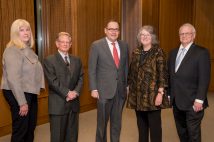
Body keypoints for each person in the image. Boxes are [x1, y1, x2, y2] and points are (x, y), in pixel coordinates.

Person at [1, 19, 45, 142]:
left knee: (30, 128)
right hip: (18, 93)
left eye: (28, 29)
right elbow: (13, 79)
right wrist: (22, 102)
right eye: (21, 30)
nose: (26, 33)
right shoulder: (12, 50)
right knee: (21, 130)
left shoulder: (27, 49)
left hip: (29, 92)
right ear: (15, 33)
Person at [127, 25, 170, 142]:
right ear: (139, 37)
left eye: (148, 35)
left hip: (153, 96)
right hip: (138, 97)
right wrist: (129, 90)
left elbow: (163, 74)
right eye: (142, 35)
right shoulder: (136, 52)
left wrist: (160, 93)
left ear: (152, 37)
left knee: (155, 128)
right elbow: (132, 74)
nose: (145, 37)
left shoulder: (158, 52)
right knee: (142, 128)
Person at [168, 23, 211, 142]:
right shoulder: (173, 53)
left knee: (193, 134)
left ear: (194, 35)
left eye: (187, 33)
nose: (184, 36)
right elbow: (171, 76)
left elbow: (204, 78)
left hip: (194, 103)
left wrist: (200, 99)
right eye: (181, 33)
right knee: (182, 133)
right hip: (177, 102)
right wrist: (169, 95)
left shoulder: (201, 52)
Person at [88, 20, 129, 142]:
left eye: (116, 29)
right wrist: (93, 88)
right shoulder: (96, 45)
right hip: (103, 91)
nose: (114, 32)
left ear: (119, 31)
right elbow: (92, 68)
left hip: (120, 91)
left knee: (117, 123)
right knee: (102, 124)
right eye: (111, 29)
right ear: (105, 30)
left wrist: (126, 85)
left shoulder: (124, 45)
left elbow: (126, 67)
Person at [43, 32, 83, 142]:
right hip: (58, 105)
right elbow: (52, 81)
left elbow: (81, 78)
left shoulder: (77, 60)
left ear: (71, 44)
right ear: (57, 43)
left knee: (72, 137)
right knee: (58, 137)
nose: (65, 44)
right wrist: (67, 93)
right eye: (62, 42)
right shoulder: (49, 60)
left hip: (73, 104)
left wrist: (75, 92)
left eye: (68, 42)